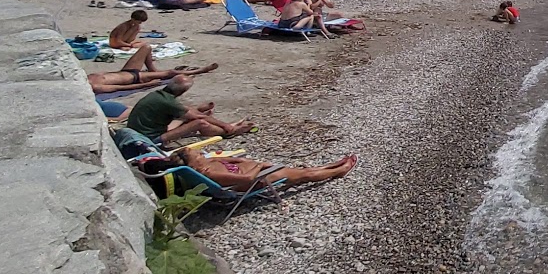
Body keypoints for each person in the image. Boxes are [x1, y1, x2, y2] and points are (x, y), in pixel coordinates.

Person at [167, 144, 356, 191]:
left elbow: (235, 161)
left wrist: (250, 164)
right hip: (257, 179)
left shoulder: (208, 164)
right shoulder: (211, 173)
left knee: (298, 170)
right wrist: (258, 166)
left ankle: (329, 166)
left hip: (259, 171)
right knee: (303, 175)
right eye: (197, 155)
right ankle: (339, 170)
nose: (202, 154)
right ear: (193, 164)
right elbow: (247, 180)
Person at [122, 75, 250, 143]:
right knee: (200, 123)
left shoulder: (157, 95)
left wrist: (196, 111)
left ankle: (199, 110)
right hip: (150, 138)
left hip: (140, 131)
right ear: (183, 91)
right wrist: (225, 125)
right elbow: (199, 118)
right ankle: (229, 132)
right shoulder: (168, 102)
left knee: (187, 117)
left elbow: (182, 109)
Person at [89, 60, 219, 93]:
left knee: (146, 47)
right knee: (170, 73)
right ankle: (200, 71)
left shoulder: (87, 77)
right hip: (136, 77)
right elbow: (119, 89)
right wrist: (146, 85)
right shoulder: (96, 87)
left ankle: (154, 70)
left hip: (125, 71)